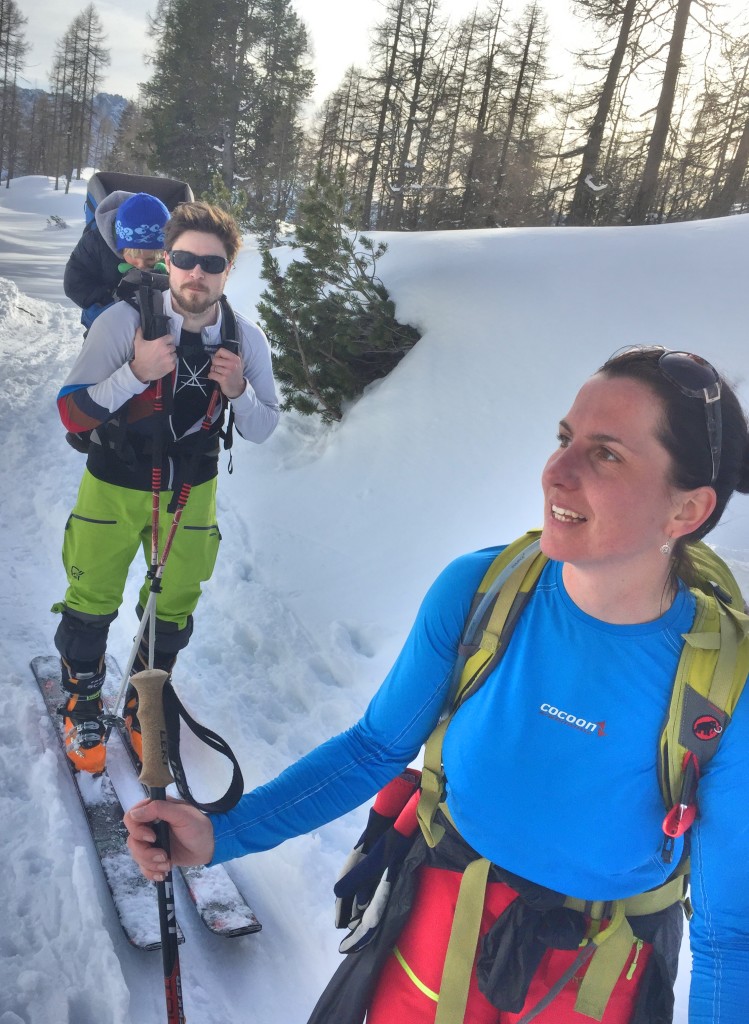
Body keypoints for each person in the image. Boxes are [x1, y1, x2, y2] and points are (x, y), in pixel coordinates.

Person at [124, 345, 749, 1023]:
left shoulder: (725, 678)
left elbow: (727, 936)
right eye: (563, 438)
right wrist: (225, 833)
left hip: (602, 972)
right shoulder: (481, 591)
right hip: (439, 926)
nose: (555, 472)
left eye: (605, 454)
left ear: (685, 511)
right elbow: (374, 748)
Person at [54, 200, 280, 775]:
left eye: (213, 262)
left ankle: (143, 701)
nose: (196, 273)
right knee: (92, 596)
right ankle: (81, 701)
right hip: (114, 482)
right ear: (168, 259)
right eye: (184, 258)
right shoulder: (121, 322)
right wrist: (136, 373)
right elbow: (72, 413)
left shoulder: (244, 339)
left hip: (191, 492)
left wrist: (236, 391)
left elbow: (263, 427)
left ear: (229, 269)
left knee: (174, 603)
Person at [64, 191, 170, 331]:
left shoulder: (174, 250)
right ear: (120, 248)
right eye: (134, 258)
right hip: (105, 308)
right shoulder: (95, 242)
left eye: (150, 260)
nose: (142, 266)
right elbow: (74, 282)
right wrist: (113, 297)